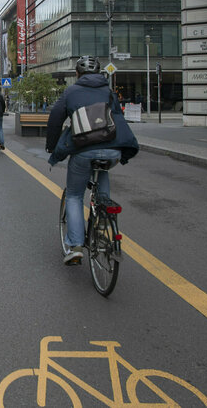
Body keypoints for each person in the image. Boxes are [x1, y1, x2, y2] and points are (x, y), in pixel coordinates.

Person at [45, 56, 139, 265]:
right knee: (102, 175)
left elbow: (55, 120)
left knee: (75, 195)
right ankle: (104, 224)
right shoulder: (109, 91)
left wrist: (52, 146)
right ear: (99, 74)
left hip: (84, 149)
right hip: (112, 151)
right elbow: (118, 119)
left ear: (77, 74)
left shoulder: (71, 92)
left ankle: (76, 245)